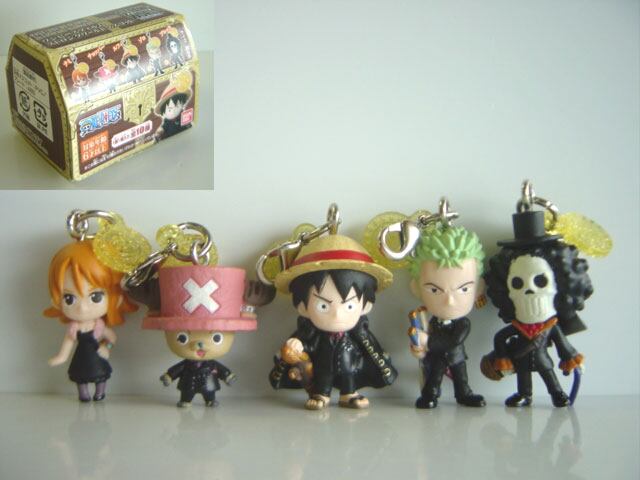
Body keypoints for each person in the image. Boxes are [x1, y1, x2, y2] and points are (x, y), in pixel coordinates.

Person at [45, 240, 137, 402]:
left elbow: (112, 338)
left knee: (101, 376)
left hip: (97, 356)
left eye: (95, 297)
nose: (82, 308)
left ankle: (100, 393)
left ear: (115, 298)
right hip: (81, 358)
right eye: (69, 298)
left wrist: (106, 347)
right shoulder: (74, 329)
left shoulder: (99, 327)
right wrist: (61, 357)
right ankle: (84, 394)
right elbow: (68, 343)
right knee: (80, 377)